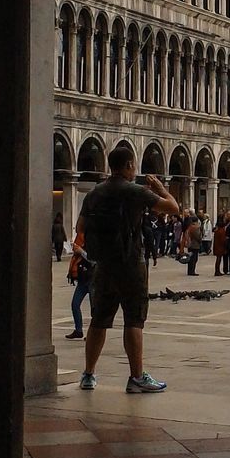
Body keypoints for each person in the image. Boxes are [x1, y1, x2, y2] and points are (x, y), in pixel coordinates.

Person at [75, 146, 180, 393]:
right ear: (129, 165)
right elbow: (173, 208)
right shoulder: (134, 191)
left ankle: (88, 374)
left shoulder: (94, 194)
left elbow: (80, 226)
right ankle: (136, 377)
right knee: (134, 319)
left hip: (102, 264)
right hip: (131, 263)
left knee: (98, 321)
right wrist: (160, 187)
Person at [64, 227, 93, 339]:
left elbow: (94, 260)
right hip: (82, 280)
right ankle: (78, 329)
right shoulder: (81, 241)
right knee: (75, 304)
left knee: (94, 308)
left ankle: (92, 333)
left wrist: (81, 251)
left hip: (92, 279)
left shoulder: (93, 242)